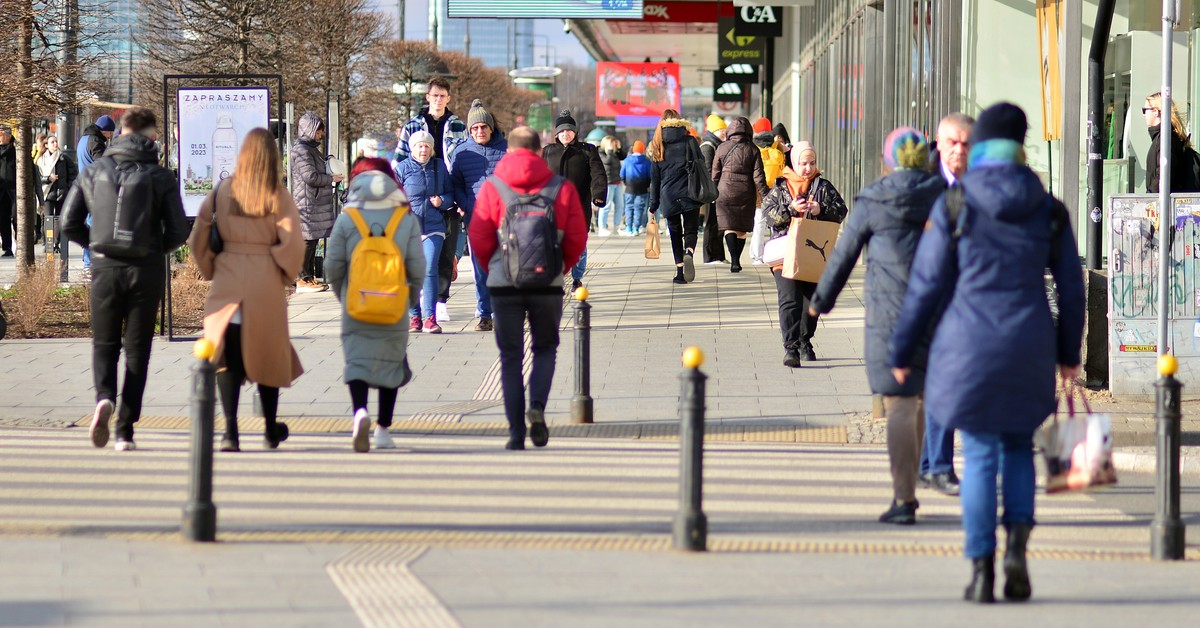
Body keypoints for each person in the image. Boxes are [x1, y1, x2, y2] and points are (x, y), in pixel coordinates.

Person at [890, 102, 1085, 603]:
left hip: (966, 347)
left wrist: (904, 348)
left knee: (977, 457)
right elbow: (1071, 289)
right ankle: (1017, 551)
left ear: (979, 148)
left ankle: (981, 570)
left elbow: (926, 285)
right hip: (1029, 347)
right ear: (1021, 146)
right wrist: (1068, 354)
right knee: (1018, 448)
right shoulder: (1049, 208)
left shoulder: (954, 204)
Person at [809, 127, 946, 524]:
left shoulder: (874, 199)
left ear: (888, 162)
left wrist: (820, 301)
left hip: (891, 312)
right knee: (922, 396)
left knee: (899, 403)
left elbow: (843, 254)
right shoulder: (945, 196)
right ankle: (921, 466)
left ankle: (904, 499)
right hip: (940, 310)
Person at [62, 106, 190, 451]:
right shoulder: (161, 176)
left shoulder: (95, 170)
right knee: (138, 351)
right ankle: (125, 429)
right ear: (150, 135)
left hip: (104, 268)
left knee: (104, 344)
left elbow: (67, 223)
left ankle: (104, 397)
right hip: (145, 270)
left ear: (119, 133)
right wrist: (152, 248)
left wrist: (98, 246)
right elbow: (179, 230)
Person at [468, 126, 587, 450]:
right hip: (546, 284)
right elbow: (577, 236)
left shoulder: (493, 188)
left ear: (508, 151)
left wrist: (493, 268)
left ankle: (516, 433)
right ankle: (537, 407)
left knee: (510, 357)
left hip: (504, 284)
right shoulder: (559, 187)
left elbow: (478, 236)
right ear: (538, 152)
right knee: (545, 349)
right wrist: (558, 269)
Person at [188, 128, 305, 452]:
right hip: (264, 284)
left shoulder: (223, 190)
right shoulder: (277, 195)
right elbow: (292, 242)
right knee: (267, 354)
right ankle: (269, 429)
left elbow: (199, 234)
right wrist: (284, 272)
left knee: (227, 356)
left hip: (226, 282)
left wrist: (211, 266)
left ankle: (230, 432)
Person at [325, 158, 424, 453]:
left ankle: (359, 413)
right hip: (394, 301)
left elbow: (332, 265)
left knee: (357, 361)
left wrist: (344, 295)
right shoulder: (404, 218)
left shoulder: (347, 217)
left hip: (356, 301)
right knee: (390, 363)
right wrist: (409, 298)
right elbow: (417, 266)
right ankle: (383, 429)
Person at [919, 112, 975, 496]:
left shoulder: (981, 185)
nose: (958, 150)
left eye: (966, 143)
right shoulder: (920, 185)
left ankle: (931, 464)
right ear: (937, 142)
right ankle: (936, 465)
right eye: (952, 142)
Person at [762, 141, 848, 362]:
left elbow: (841, 210)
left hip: (813, 255)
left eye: (812, 163)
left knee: (811, 303)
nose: (808, 168)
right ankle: (790, 348)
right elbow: (768, 214)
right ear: (794, 163)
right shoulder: (780, 186)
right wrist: (792, 209)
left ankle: (804, 341)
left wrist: (821, 209)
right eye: (803, 163)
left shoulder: (823, 186)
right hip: (784, 254)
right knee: (790, 300)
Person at [393, 78, 468, 324]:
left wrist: (459, 196)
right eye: (434, 95)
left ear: (448, 98)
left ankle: (440, 301)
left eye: (442, 96)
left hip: (448, 191)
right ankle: (421, 307)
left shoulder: (458, 125)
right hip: (417, 199)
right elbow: (399, 160)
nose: (438, 99)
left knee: (446, 253)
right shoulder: (412, 125)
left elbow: (464, 160)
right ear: (427, 97)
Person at [450, 99, 508, 332]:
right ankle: (485, 314)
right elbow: (455, 184)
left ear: (491, 127)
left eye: (483, 127)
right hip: (476, 219)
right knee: (481, 268)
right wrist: (466, 205)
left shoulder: (505, 149)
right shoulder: (461, 152)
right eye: (474, 128)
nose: (479, 131)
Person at [396, 130, 454, 334]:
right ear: (412, 148)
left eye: (427, 146)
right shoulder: (402, 169)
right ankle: (415, 317)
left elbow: (450, 195)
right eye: (419, 146)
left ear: (432, 148)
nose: (423, 149)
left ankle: (430, 318)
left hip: (433, 227)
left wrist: (442, 201)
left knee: (429, 270)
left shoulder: (439, 167)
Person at [541, 109, 605, 292]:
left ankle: (577, 278)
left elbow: (598, 174)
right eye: (561, 131)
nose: (565, 134)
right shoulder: (547, 152)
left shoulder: (587, 151)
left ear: (575, 132)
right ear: (556, 133)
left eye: (568, 130)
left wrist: (598, 194)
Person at [647, 110, 703, 284]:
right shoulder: (690, 141)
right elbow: (701, 164)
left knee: (675, 233)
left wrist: (653, 204)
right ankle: (689, 252)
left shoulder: (657, 144)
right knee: (691, 230)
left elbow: (654, 179)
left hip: (668, 196)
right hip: (690, 193)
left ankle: (680, 272)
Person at [290, 112, 342, 293]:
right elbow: (310, 177)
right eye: (318, 131)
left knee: (312, 240)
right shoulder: (302, 150)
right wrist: (331, 178)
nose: (321, 134)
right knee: (307, 240)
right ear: (309, 130)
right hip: (307, 201)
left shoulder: (310, 149)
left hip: (313, 201)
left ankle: (308, 277)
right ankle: (302, 278)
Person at [711, 117, 769, 273]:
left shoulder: (722, 148)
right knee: (741, 229)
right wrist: (766, 195)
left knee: (729, 226)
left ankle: (734, 259)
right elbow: (759, 177)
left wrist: (712, 190)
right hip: (745, 192)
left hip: (724, 191)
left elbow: (715, 173)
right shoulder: (753, 149)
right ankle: (737, 259)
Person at [75, 115, 115, 278]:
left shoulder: (84, 139)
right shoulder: (95, 141)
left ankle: (89, 263)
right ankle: (89, 264)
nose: (111, 136)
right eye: (110, 133)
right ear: (105, 131)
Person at [1143, 91, 1200, 193]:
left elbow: (1163, 175)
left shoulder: (1165, 139)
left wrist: (1150, 198)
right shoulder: (1164, 137)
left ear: (1156, 112)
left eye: (1145, 110)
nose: (1144, 114)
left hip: (1163, 204)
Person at [751, 117, 787, 264]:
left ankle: (757, 255)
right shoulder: (777, 148)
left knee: (759, 222)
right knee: (776, 222)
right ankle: (775, 252)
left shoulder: (753, 147)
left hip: (758, 189)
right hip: (776, 190)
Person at [36, 134, 78, 253]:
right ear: (46, 145)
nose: (55, 144)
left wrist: (67, 187)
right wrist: (48, 178)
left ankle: (56, 243)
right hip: (47, 193)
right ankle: (48, 243)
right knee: (48, 219)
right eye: (52, 142)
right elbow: (38, 177)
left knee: (60, 219)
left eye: (56, 142)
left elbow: (73, 174)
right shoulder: (41, 159)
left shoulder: (63, 158)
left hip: (61, 193)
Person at [699, 115, 727, 264]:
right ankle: (710, 256)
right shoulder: (708, 146)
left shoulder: (717, 144)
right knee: (711, 223)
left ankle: (719, 255)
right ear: (714, 130)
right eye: (721, 130)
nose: (724, 132)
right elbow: (709, 171)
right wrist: (715, 189)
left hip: (716, 189)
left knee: (718, 223)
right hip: (711, 191)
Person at [620, 140, 652, 236]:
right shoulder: (647, 161)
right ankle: (636, 229)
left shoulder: (627, 160)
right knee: (639, 208)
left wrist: (626, 183)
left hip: (629, 188)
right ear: (643, 150)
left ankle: (629, 227)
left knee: (629, 207)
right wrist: (646, 185)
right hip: (642, 189)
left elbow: (622, 174)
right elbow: (650, 176)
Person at [598, 135, 626, 236]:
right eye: (612, 144)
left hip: (617, 182)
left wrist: (619, 148)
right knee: (606, 206)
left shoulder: (614, 153)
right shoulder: (601, 152)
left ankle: (616, 227)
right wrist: (609, 151)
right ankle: (602, 228)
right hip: (608, 183)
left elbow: (623, 156)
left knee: (620, 206)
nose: (613, 146)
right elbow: (607, 162)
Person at [0, 126, 16, 257]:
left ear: (8, 136)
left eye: (1, 134)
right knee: (3, 220)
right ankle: (7, 248)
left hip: (15, 191)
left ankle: (21, 245)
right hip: (1, 191)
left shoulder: (16, 149)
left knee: (18, 219)